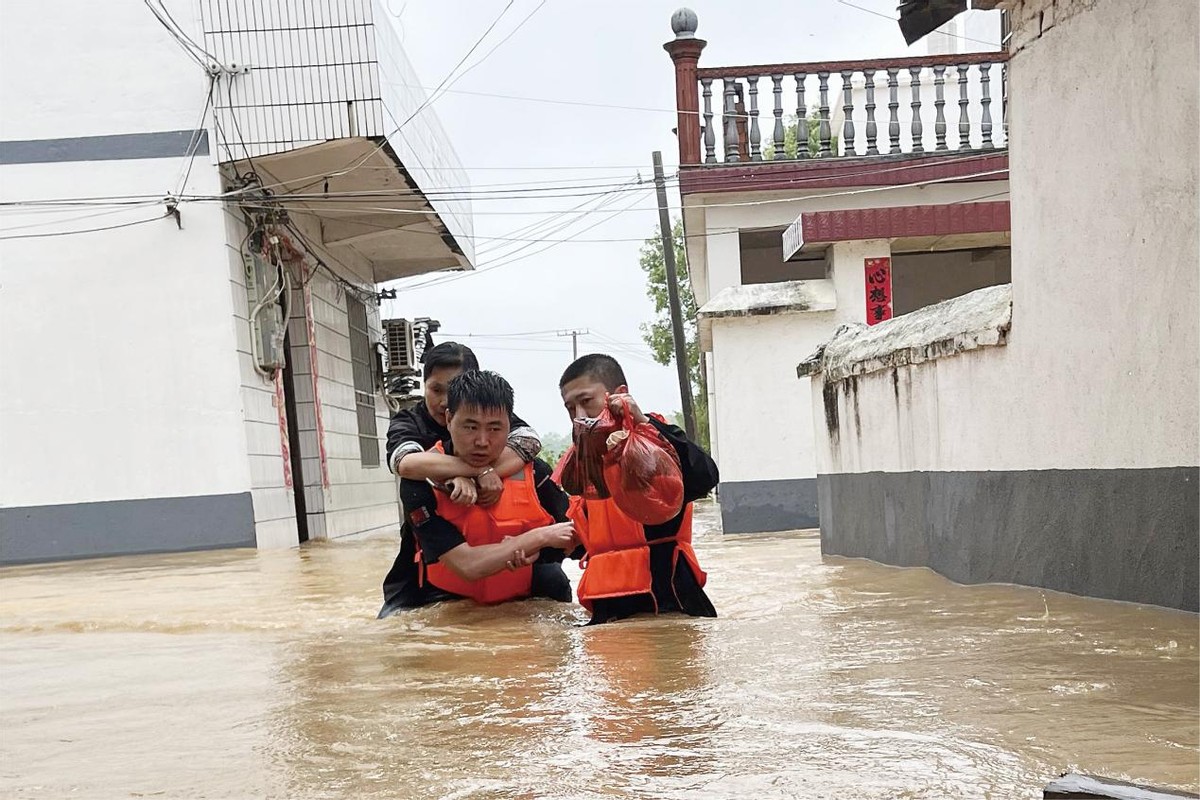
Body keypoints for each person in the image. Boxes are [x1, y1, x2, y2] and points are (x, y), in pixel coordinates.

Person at [377, 343, 543, 617]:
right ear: (424, 385)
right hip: (429, 549)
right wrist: (473, 472)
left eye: (452, 389)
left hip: (499, 548)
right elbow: (405, 463)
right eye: (436, 390)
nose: (444, 400)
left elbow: (529, 442)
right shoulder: (410, 421)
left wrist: (480, 474)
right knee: (396, 624)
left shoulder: (490, 412)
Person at [558, 353, 719, 624]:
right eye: (570, 408)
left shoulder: (657, 442)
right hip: (607, 612)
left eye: (586, 402)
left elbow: (705, 476)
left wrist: (642, 422)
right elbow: (578, 542)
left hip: (670, 600)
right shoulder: (577, 465)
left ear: (619, 394)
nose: (579, 417)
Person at [398, 369, 577, 608]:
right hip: (447, 600)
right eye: (470, 427)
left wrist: (540, 551)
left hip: (523, 595)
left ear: (509, 426)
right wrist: (538, 537)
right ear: (449, 419)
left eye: (494, 428)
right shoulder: (420, 482)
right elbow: (467, 565)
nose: (482, 441)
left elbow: (575, 535)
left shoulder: (534, 472)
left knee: (553, 579)